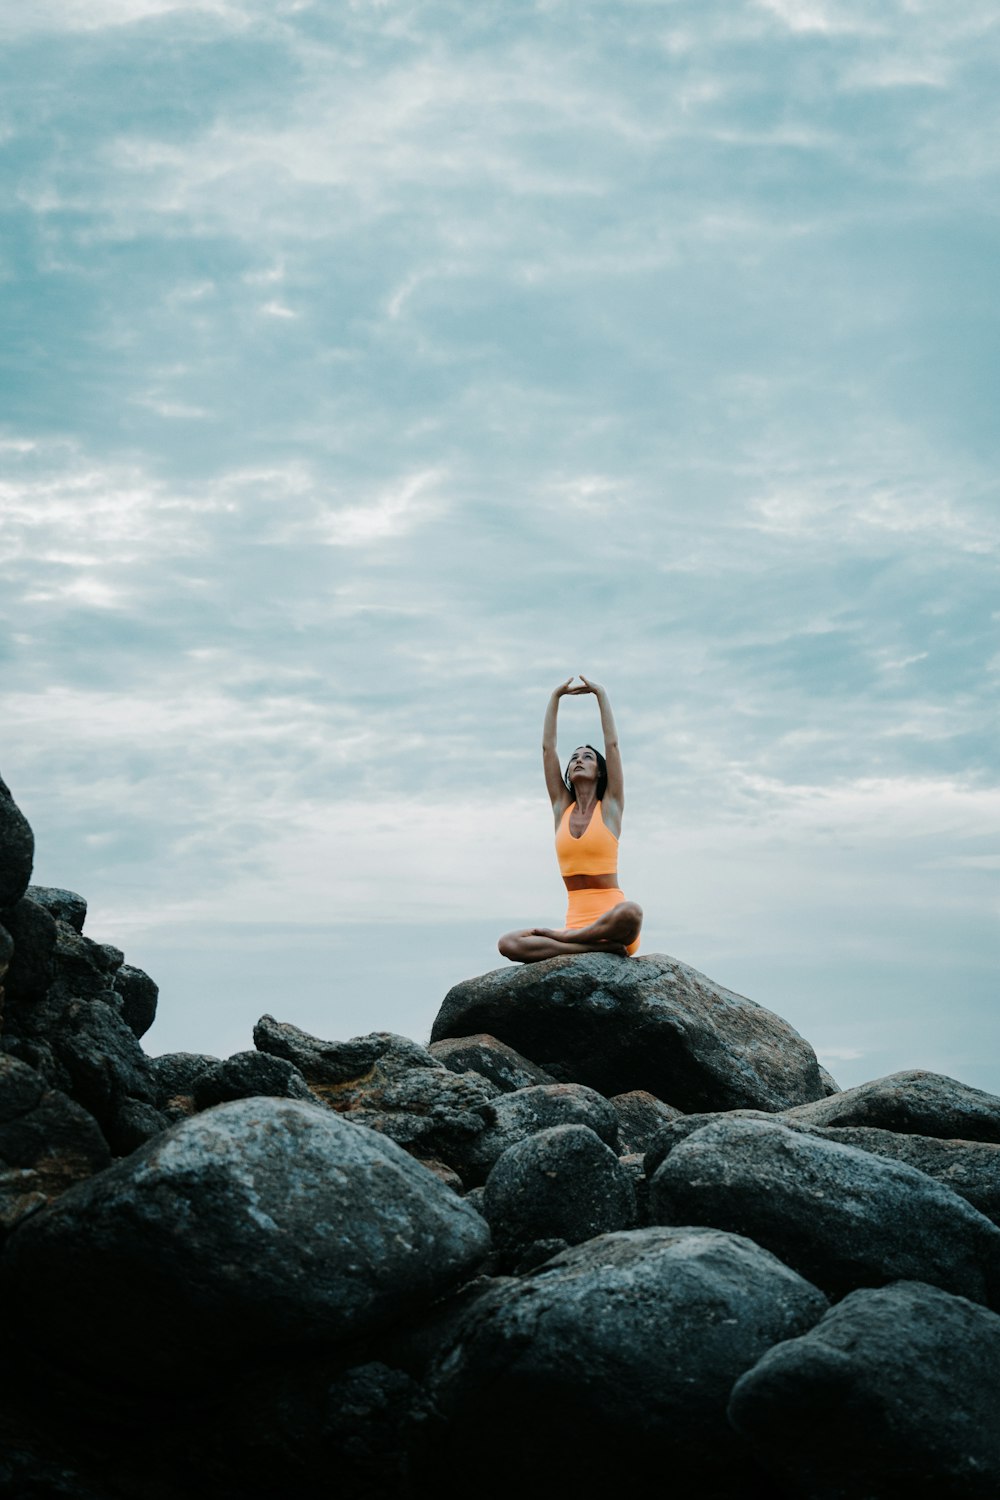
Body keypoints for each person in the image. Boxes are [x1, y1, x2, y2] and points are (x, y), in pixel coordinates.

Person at [498, 676, 643, 963]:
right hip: (578, 927)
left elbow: (612, 746)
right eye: (575, 757)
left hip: (611, 924)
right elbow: (547, 750)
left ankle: (569, 940)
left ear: (600, 771)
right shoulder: (560, 808)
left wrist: (600, 694)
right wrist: (555, 698)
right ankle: (585, 946)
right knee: (508, 943)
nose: (578, 759)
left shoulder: (610, 807)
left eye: (588, 757)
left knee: (632, 912)